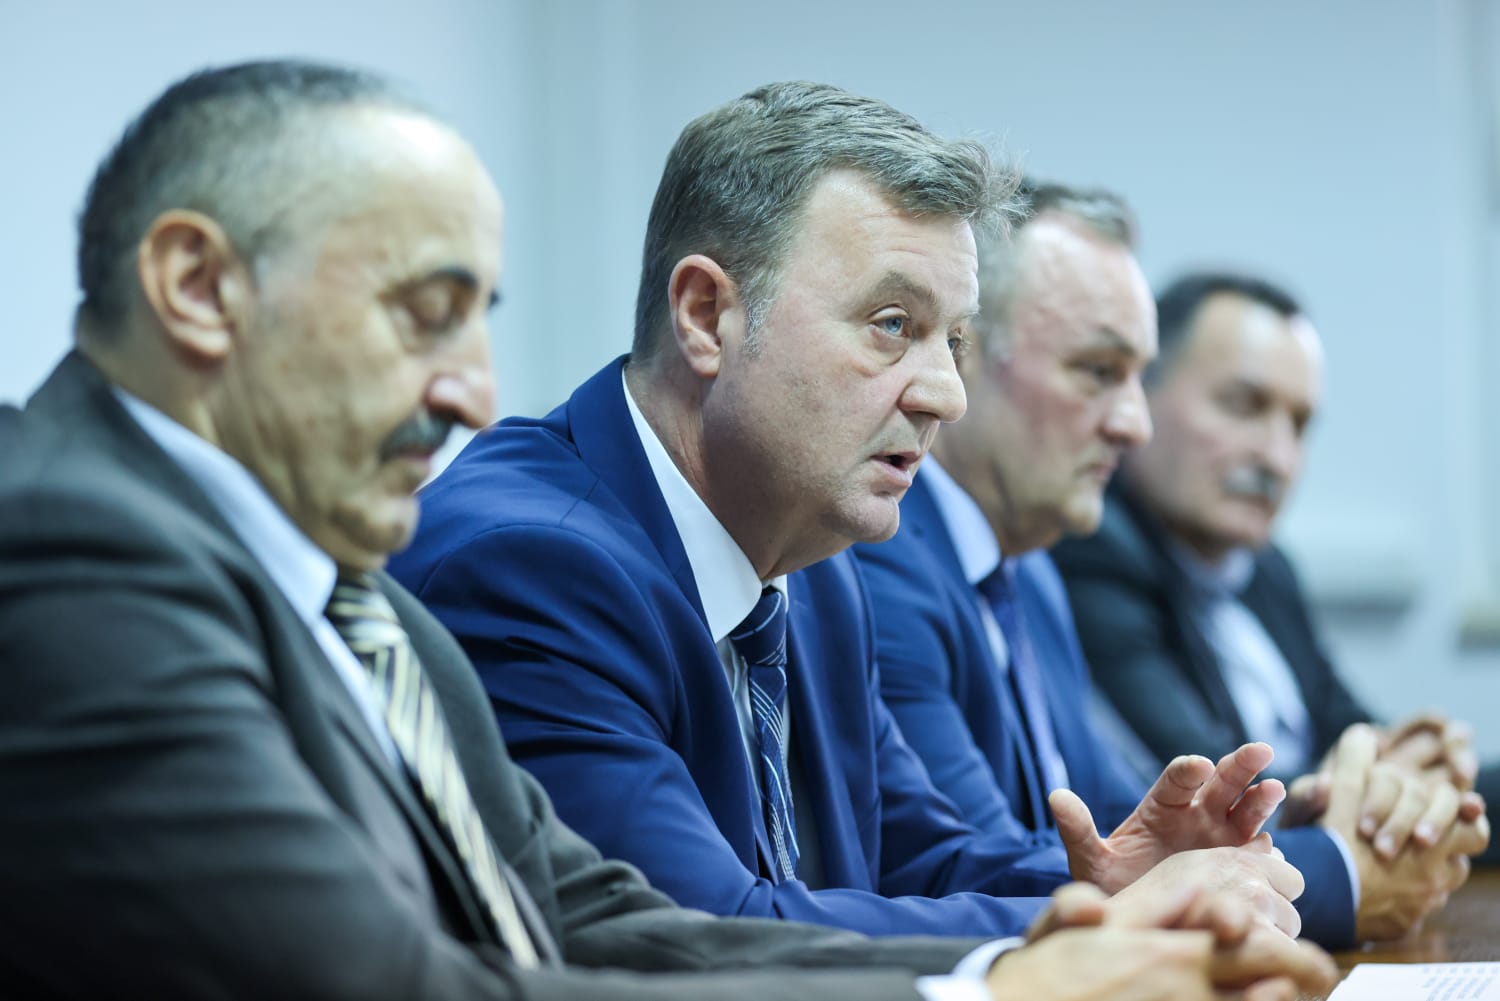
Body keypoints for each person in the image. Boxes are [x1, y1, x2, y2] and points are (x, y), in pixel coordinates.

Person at [0, 59, 1341, 1001]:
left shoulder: (361, 598)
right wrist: (1014, 984)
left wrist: (1042, 946)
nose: (471, 388)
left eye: (481, 321)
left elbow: (596, 915)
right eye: (424, 312)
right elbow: (406, 984)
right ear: (198, 286)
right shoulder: (73, 551)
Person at [392, 83, 1305, 943]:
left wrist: (1121, 886)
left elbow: (921, 862)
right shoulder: (531, 565)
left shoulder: (815, 565)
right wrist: (1100, 931)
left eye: (954, 340)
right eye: (893, 324)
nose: (946, 394)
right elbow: (707, 936)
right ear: (706, 315)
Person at [853, 187, 1490, 948]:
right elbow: (970, 873)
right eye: (1098, 370)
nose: (1133, 424)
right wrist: (1345, 868)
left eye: (1136, 376)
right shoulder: (882, 562)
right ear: (965, 356)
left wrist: (1312, 809)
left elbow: (1124, 829)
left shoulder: (1032, 571)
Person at [1049, 271, 1497, 881]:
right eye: (1244, 405)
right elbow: (1219, 794)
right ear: (1140, 395)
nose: (1278, 457)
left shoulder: (1265, 568)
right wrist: (1383, 793)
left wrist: (1416, 769)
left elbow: (1351, 734)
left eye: (1300, 424)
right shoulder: (1091, 552)